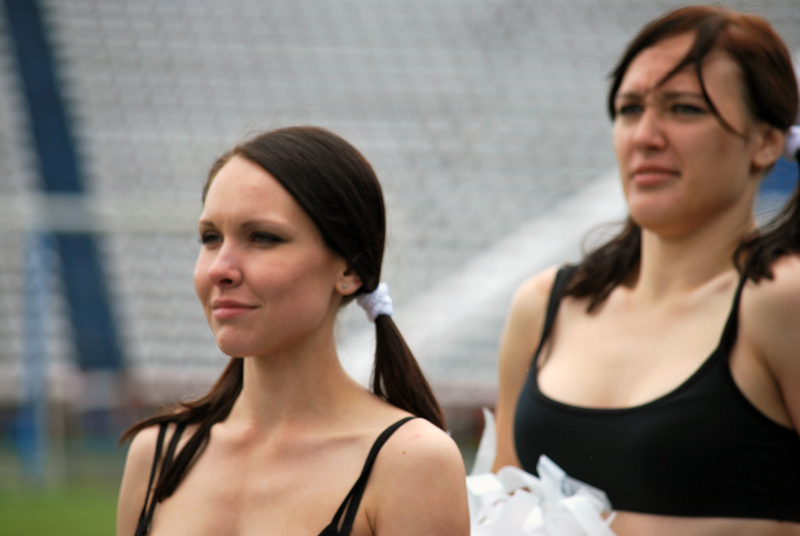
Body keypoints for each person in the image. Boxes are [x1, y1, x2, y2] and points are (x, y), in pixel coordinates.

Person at [493, 5, 800, 536]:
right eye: (629, 108)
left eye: (684, 109)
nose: (645, 136)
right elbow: (500, 505)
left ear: (767, 141)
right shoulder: (544, 305)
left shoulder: (781, 300)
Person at [116, 127, 470, 536]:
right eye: (210, 237)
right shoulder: (158, 454)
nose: (219, 269)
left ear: (349, 270)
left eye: (262, 237)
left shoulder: (411, 462)